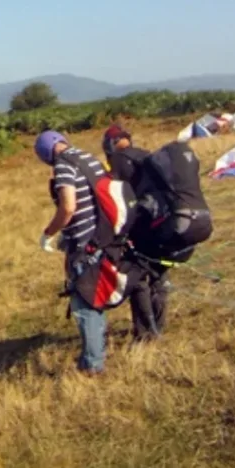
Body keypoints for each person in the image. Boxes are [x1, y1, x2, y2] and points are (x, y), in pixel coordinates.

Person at [35, 129, 109, 375]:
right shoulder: (87, 157)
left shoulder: (64, 165)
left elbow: (68, 207)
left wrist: (49, 232)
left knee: (84, 303)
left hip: (84, 243)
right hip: (103, 236)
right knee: (96, 296)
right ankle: (97, 348)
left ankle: (92, 364)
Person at [102, 124, 170, 341]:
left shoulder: (120, 160)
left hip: (140, 225)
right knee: (159, 276)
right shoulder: (146, 155)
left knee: (138, 278)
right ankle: (158, 325)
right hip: (163, 222)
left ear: (111, 144)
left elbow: (114, 195)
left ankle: (145, 332)